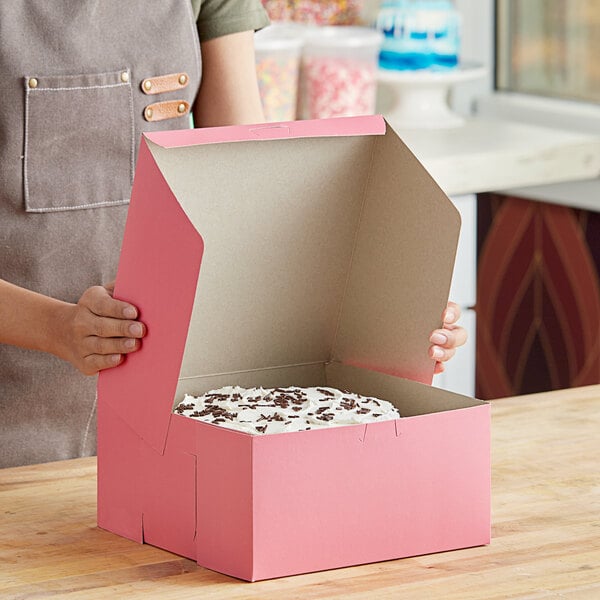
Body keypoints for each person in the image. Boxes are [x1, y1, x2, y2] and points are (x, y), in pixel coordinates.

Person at [0, 0, 465, 469]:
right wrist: (59, 328)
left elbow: (252, 195)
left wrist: (387, 315)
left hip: (181, 416)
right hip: (15, 429)